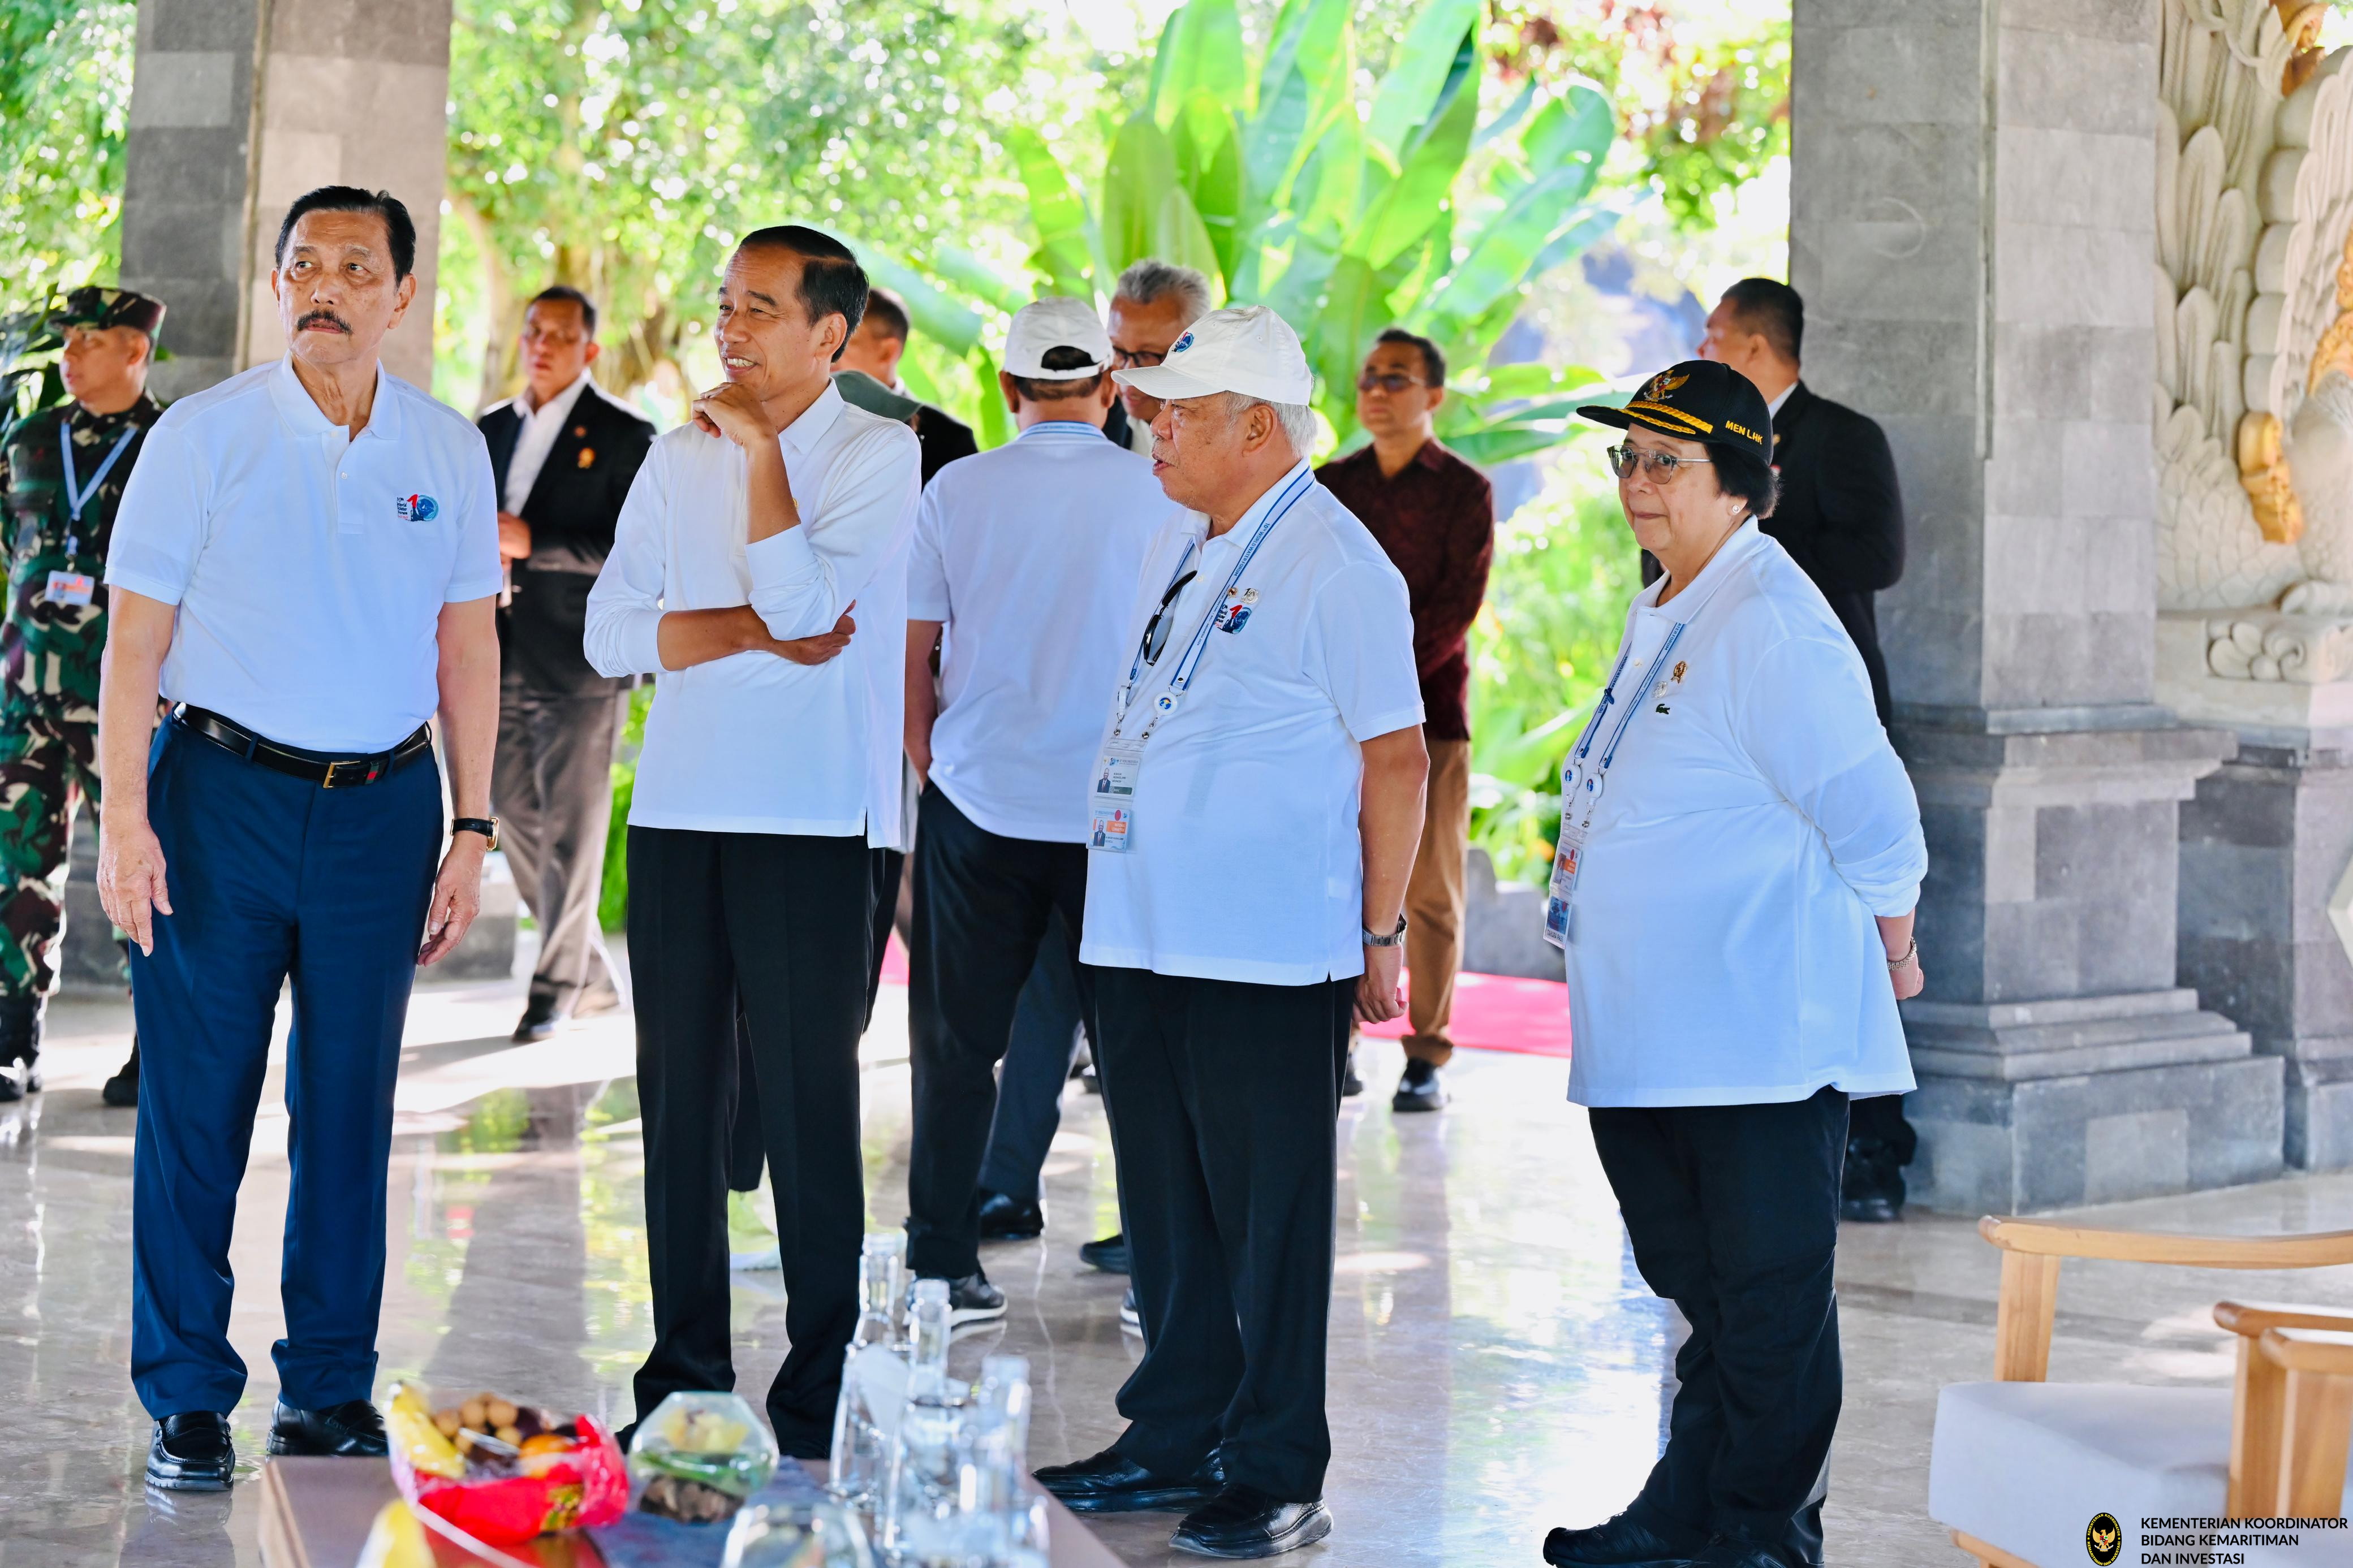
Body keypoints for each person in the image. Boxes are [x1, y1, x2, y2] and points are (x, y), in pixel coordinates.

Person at [98, 186, 503, 1490]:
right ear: (278, 287)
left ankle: (327, 1388)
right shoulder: (206, 438)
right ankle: (189, 1396)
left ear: (402, 295)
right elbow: (134, 644)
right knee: (194, 1107)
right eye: (304, 264)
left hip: (385, 813)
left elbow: (469, 647)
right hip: (219, 801)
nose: (324, 283)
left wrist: (472, 825)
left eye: (355, 266)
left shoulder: (445, 450)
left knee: (349, 1109)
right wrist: (123, 815)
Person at [1035, 306, 1427, 1560]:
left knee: (1270, 1220)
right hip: (1147, 934)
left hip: (1263, 950)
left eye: (1182, 412)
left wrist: (1381, 932)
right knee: (1164, 1208)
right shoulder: (1196, 540)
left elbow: (1398, 758)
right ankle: (1173, 1430)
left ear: (1259, 428)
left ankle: (1273, 1467)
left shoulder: (1336, 562)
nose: (1153, 427)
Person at [1539, 361, 1925, 1568]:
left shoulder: (1769, 621)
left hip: (1754, 1035)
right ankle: (1688, 1506)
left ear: (1742, 484)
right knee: (1708, 1292)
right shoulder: (1673, 600)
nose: (1637, 486)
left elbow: (1878, 821)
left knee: (1764, 1305)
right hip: (1659, 1034)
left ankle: (1763, 1532)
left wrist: (1893, 953)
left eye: (1665, 463)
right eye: (1628, 460)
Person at [583, 224, 918, 1458]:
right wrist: (736, 632)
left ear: (830, 334)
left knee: (806, 1108)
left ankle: (821, 1388)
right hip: (679, 816)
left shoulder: (884, 452)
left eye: (760, 308)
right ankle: (682, 1379)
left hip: (813, 826)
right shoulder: (675, 458)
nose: (729, 328)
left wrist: (768, 458)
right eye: (725, 304)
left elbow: (810, 603)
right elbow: (608, 634)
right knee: (677, 1111)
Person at [900, 296, 1172, 1325]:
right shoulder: (1160, 488)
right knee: (1141, 1054)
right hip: (1118, 813)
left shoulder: (957, 489)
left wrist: (938, 764)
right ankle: (1160, 1275)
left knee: (957, 1045)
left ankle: (942, 1268)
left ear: (1008, 390)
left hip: (981, 802)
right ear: (1110, 388)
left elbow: (916, 651)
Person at [1696, 277, 1916, 1223]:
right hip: (1724, 721)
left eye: (1713, 337)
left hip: (1826, 709)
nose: (1702, 350)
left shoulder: (1844, 434)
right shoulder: (1702, 455)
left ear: (1754, 347)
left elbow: (1880, 556)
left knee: (1850, 930)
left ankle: (1875, 1145)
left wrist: (1763, 552)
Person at [1068, 254, 1214, 1279]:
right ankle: (1146, 1221)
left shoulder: (1220, 489)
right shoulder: (1110, 464)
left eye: (1155, 357)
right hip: (1094, 795)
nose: (1132, 379)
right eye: (1120, 354)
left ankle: (1175, 1241)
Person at [1317, 328, 1493, 1115]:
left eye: (1398, 378)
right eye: (1369, 378)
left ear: (1434, 397)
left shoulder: (1465, 490)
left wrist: (1378, 681)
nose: (1379, 391)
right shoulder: (1328, 484)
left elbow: (1459, 606)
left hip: (1432, 715)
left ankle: (1426, 1052)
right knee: (1336, 874)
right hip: (1332, 720)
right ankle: (1339, 1033)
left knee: (1429, 888)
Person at [0, 286, 167, 1106]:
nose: (69, 353)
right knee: (13, 863)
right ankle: (12, 1036)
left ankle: (155, 1046)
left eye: (89, 340)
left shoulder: (171, 446)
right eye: (64, 339)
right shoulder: (29, 439)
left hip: (127, 702)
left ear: (136, 351)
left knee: (142, 867)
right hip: (24, 692)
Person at [479, 285, 654, 1043]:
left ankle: (553, 988)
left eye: (561, 334)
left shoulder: (626, 434)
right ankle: (588, 973)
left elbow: (639, 550)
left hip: (583, 660)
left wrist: (533, 541)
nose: (543, 344)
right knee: (505, 812)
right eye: (532, 331)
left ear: (590, 349)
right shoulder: (487, 430)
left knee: (574, 833)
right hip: (492, 652)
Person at [833, 286, 977, 483]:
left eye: (845, 342)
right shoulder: (801, 408)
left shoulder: (948, 439)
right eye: (828, 335)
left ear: (887, 352)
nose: (829, 352)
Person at [1102, 258, 1212, 456]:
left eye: (1147, 355)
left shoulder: (1229, 432)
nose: (1127, 373)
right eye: (1118, 350)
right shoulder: (1095, 418)